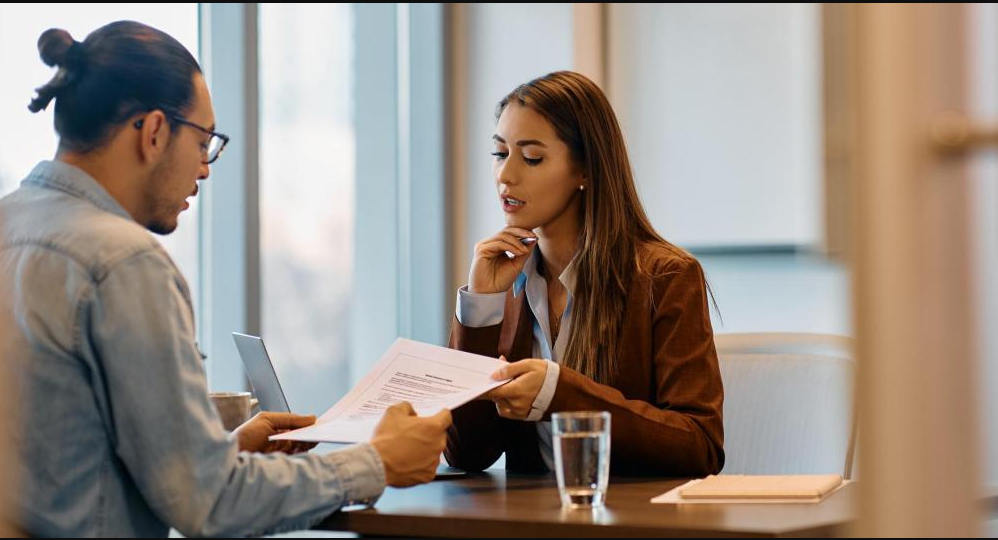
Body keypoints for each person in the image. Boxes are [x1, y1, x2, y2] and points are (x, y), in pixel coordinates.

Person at [0, 21, 450, 537]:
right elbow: (209, 505)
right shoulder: (123, 262)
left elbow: (65, 467)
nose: (206, 169)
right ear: (152, 132)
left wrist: (224, 450)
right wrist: (377, 461)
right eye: (204, 141)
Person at [445, 71, 724, 477]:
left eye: (532, 157)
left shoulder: (665, 276)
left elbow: (700, 447)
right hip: (533, 524)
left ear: (586, 171)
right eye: (500, 153)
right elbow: (467, 453)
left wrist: (561, 394)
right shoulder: (504, 284)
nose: (506, 175)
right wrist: (480, 307)